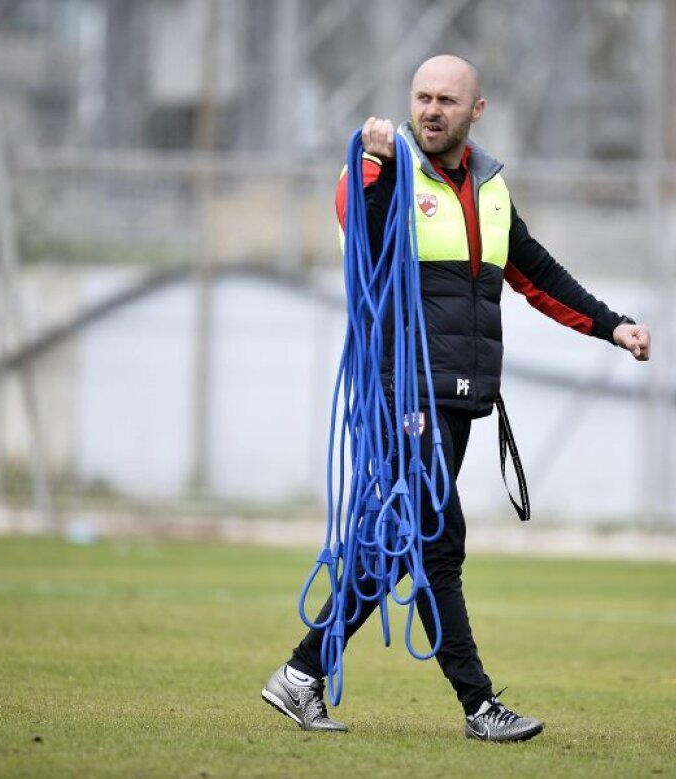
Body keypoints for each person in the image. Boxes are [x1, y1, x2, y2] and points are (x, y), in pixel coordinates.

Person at [262, 54, 651, 743]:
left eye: (447, 100)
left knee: (398, 544)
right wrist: (380, 168)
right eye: (422, 97)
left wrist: (612, 325)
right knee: (437, 541)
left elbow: (536, 273)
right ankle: (479, 705)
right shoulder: (379, 168)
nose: (431, 110)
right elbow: (364, 243)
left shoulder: (490, 187)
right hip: (403, 391)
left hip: (458, 395)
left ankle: (300, 674)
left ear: (477, 111)